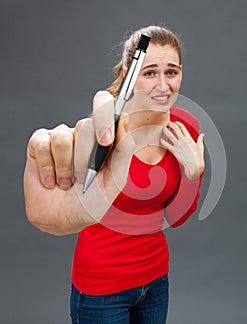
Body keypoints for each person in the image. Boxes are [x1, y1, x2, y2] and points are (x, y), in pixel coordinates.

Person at [23, 25, 205, 324]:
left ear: (181, 72)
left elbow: (175, 217)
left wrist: (193, 172)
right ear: (126, 75)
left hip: (155, 281)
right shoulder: (104, 130)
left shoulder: (186, 126)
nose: (163, 85)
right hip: (101, 288)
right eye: (149, 73)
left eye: (171, 72)